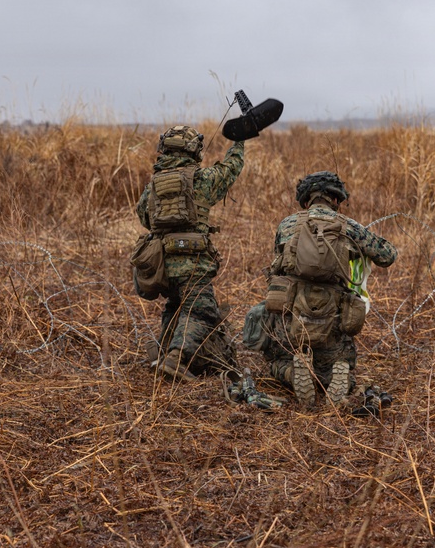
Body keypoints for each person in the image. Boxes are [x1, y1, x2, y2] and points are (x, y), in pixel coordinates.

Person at [254, 171, 396, 407]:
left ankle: (292, 372)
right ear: (337, 200)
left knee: (276, 364)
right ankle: (336, 374)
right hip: (333, 322)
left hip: (292, 322)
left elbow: (278, 267)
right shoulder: (348, 226)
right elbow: (388, 256)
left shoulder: (288, 224)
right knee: (338, 368)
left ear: (306, 200)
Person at [133, 125, 245, 383]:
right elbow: (231, 169)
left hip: (162, 264)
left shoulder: (153, 186)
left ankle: (161, 352)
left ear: (164, 149)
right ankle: (176, 358)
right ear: (193, 150)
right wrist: (239, 142)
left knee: (175, 306)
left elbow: (145, 217)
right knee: (201, 310)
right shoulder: (202, 180)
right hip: (194, 264)